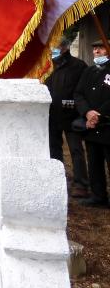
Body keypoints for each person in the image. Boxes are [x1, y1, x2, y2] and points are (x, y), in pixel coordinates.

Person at [45, 38, 89, 197]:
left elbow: (82, 90)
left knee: (76, 150)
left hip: (71, 115)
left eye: (56, 46)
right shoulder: (47, 64)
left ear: (65, 47)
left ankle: (81, 184)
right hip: (51, 114)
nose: (52, 49)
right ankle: (57, 179)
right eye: (50, 46)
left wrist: (72, 106)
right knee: (53, 148)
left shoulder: (78, 66)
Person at [74, 38, 110, 208]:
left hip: (107, 125)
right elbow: (79, 94)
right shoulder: (88, 71)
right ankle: (98, 195)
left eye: (101, 48)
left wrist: (99, 115)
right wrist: (87, 112)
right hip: (91, 126)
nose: (96, 51)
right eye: (95, 48)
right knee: (94, 163)